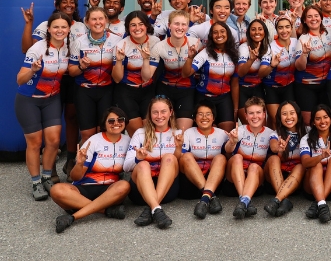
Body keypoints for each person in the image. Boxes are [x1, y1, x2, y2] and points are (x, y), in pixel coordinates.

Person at [22, 0, 87, 176]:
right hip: (51, 78)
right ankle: (49, 170)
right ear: (57, 6)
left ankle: (70, 160)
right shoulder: (46, 26)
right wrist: (29, 25)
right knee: (53, 120)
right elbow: (27, 49)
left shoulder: (81, 26)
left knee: (72, 118)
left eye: (72, 2)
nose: (69, 5)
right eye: (64, 2)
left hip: (73, 76)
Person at [16, 12, 71, 200]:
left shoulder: (68, 47)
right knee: (35, 143)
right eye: (56, 27)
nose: (60, 30)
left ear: (68, 29)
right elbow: (19, 80)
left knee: (54, 141)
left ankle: (47, 176)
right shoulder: (37, 48)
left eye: (63, 27)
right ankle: (36, 182)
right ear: (48, 29)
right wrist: (32, 70)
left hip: (52, 99)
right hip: (29, 99)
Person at [50, 107, 131, 232]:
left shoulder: (128, 141)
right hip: (84, 187)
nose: (116, 123)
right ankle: (106, 211)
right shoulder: (94, 141)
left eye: (120, 119)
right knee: (56, 190)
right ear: (104, 123)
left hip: (109, 189)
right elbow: (76, 177)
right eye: (111, 121)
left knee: (124, 185)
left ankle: (73, 217)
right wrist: (79, 164)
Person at [124, 96, 183, 229]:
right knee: (143, 164)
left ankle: (152, 207)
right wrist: (138, 158)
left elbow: (179, 166)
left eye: (163, 111)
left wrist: (178, 148)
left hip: (167, 190)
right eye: (155, 112)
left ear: (171, 112)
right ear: (149, 114)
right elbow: (126, 167)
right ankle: (156, 209)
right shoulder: (140, 134)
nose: (159, 116)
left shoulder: (178, 134)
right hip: (140, 191)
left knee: (169, 158)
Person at [69, 7, 122, 146]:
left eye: (101, 18)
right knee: (87, 133)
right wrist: (81, 67)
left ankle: (103, 164)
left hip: (107, 90)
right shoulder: (79, 42)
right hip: (84, 90)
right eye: (94, 19)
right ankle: (84, 165)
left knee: (104, 130)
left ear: (106, 21)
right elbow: (72, 71)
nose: (98, 22)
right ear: (87, 22)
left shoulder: (117, 41)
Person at [225, 96, 274, 218]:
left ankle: (243, 201)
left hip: (256, 181)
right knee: (237, 157)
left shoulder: (270, 133)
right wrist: (232, 141)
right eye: (251, 113)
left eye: (258, 112)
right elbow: (227, 150)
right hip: (234, 180)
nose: (255, 116)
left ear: (264, 115)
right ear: (246, 116)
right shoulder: (239, 131)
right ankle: (245, 200)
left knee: (254, 166)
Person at [149, 10, 199, 131]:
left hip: (187, 90)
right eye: (176, 24)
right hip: (165, 89)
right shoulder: (159, 46)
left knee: (182, 132)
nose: (180, 28)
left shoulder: (196, 44)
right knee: (163, 129)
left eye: (184, 24)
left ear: (188, 26)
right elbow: (149, 75)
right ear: (169, 25)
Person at [113, 11, 161, 136]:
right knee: (137, 133)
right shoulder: (121, 45)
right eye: (133, 25)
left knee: (149, 132)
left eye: (141, 24)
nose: (137, 28)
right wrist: (119, 61)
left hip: (148, 90)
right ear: (128, 28)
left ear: (147, 26)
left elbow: (147, 76)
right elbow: (117, 79)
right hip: (126, 92)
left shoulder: (155, 42)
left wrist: (145, 59)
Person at [184, 22, 238, 132]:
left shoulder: (233, 53)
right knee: (203, 131)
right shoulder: (205, 53)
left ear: (228, 34)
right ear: (211, 36)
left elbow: (235, 82)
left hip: (224, 97)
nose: (219, 35)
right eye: (215, 32)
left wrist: (236, 108)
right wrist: (190, 58)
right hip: (204, 97)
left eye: (222, 31)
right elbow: (186, 73)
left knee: (227, 133)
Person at [178, 102, 228, 219]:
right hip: (190, 184)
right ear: (194, 118)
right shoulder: (188, 133)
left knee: (221, 157)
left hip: (213, 181)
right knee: (186, 156)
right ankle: (210, 196)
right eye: (200, 114)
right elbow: (183, 159)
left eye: (208, 114)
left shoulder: (222, 134)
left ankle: (205, 199)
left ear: (213, 118)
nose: (204, 117)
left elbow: (228, 158)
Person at [301, 104, 331, 223]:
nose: (322, 121)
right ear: (313, 122)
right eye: (318, 119)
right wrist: (320, 156)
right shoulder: (306, 138)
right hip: (312, 187)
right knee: (316, 164)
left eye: (325, 117)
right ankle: (322, 204)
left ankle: (319, 203)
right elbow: (305, 163)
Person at [264, 100, 306, 216]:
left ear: (298, 114)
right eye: (284, 114)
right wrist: (279, 149)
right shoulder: (275, 133)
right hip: (276, 177)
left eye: (292, 113)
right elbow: (273, 146)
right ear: (279, 117)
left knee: (301, 165)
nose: (288, 117)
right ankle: (283, 200)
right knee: (273, 159)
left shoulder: (307, 132)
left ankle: (277, 200)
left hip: (296, 178)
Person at [294, 5, 331, 124]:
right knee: (308, 124)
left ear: (321, 18)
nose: (313, 19)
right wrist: (304, 54)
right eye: (309, 17)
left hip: (326, 85)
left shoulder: (330, 33)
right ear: (305, 20)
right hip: (306, 86)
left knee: (325, 122)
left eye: (316, 16)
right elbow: (299, 67)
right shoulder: (303, 39)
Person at [264, 17, 299, 127]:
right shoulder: (270, 47)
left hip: (289, 86)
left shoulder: (296, 42)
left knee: (290, 121)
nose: (284, 31)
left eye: (287, 27)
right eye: (280, 28)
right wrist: (271, 66)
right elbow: (261, 73)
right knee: (276, 121)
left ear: (291, 27)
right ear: (276, 30)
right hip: (272, 87)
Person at [236, 18, 270, 124]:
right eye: (253, 29)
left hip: (258, 88)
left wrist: (271, 66)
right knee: (247, 124)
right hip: (242, 89)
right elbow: (240, 73)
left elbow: (261, 73)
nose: (257, 32)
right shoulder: (244, 48)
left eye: (260, 29)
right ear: (248, 32)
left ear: (265, 31)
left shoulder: (267, 48)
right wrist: (251, 60)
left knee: (261, 123)